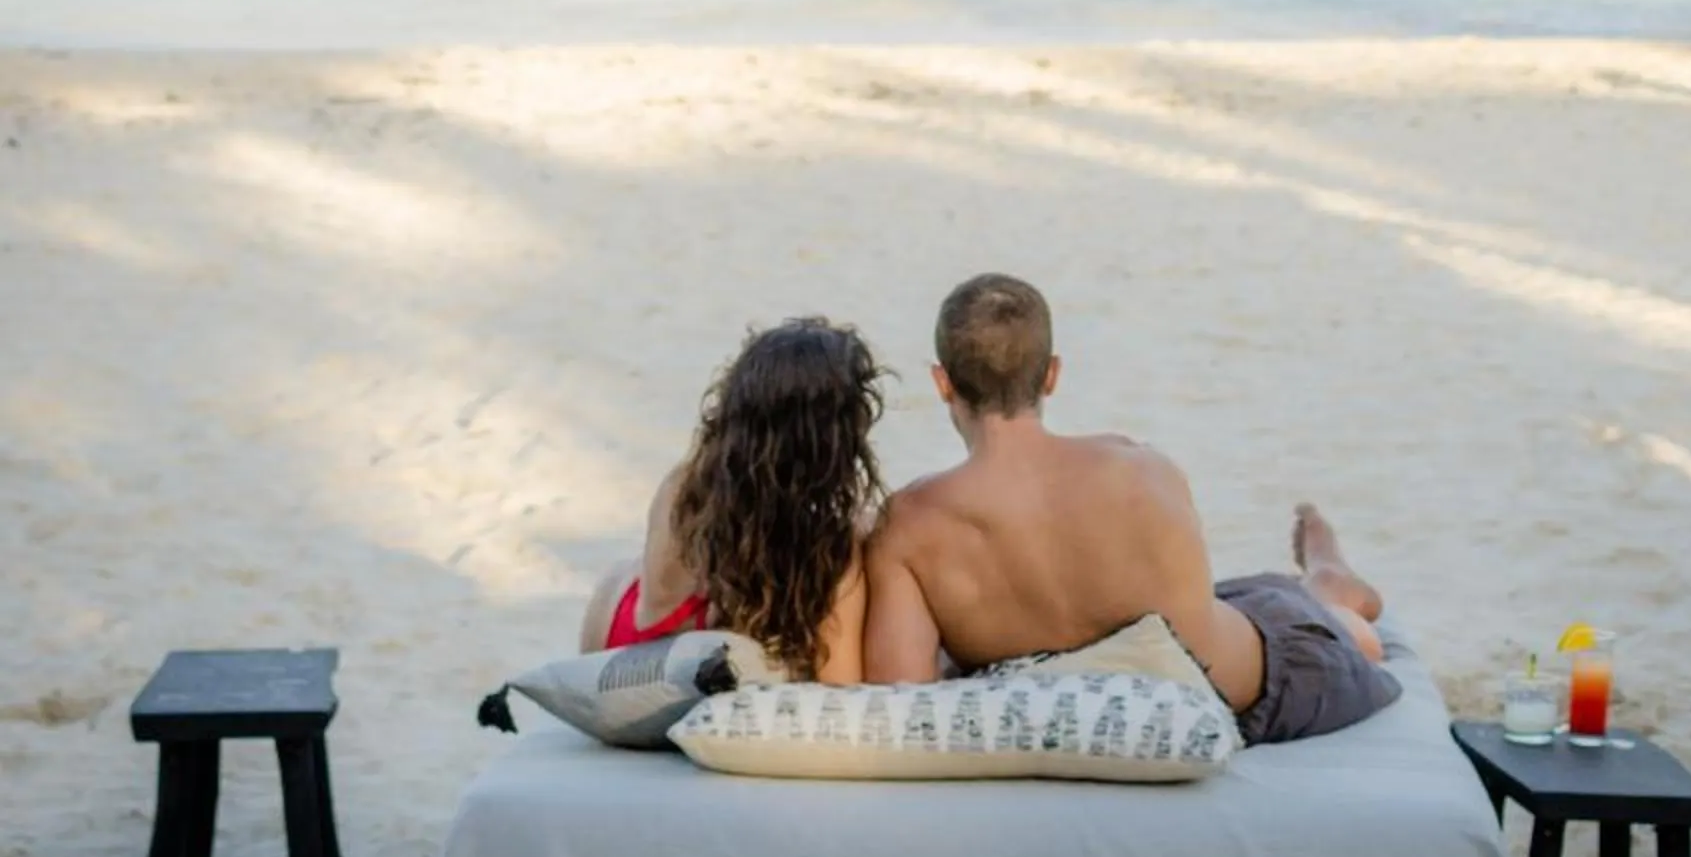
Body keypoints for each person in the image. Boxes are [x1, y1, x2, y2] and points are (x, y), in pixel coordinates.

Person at [862, 274, 1400, 745]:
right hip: (1243, 676)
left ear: (942, 382)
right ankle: (1321, 579)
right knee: (1272, 603)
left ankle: (1331, 579)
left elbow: (903, 696)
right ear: (1051, 374)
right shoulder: (1140, 469)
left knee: (1353, 636)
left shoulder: (907, 526)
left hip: (1265, 662)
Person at [580, 317, 883, 683]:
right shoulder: (829, 544)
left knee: (622, 571)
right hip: (704, 669)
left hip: (623, 638)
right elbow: (840, 684)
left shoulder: (684, 483)